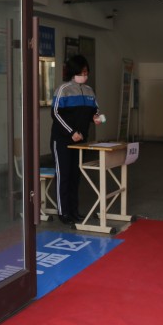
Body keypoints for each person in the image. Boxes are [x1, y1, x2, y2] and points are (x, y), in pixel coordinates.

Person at [51, 55, 104, 225]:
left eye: (87, 72)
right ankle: (63, 212)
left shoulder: (89, 91)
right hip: (62, 140)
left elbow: (95, 111)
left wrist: (97, 117)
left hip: (80, 142)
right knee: (64, 175)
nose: (85, 75)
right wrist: (71, 132)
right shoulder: (63, 89)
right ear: (74, 72)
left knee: (75, 176)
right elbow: (56, 114)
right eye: (82, 72)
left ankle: (74, 211)